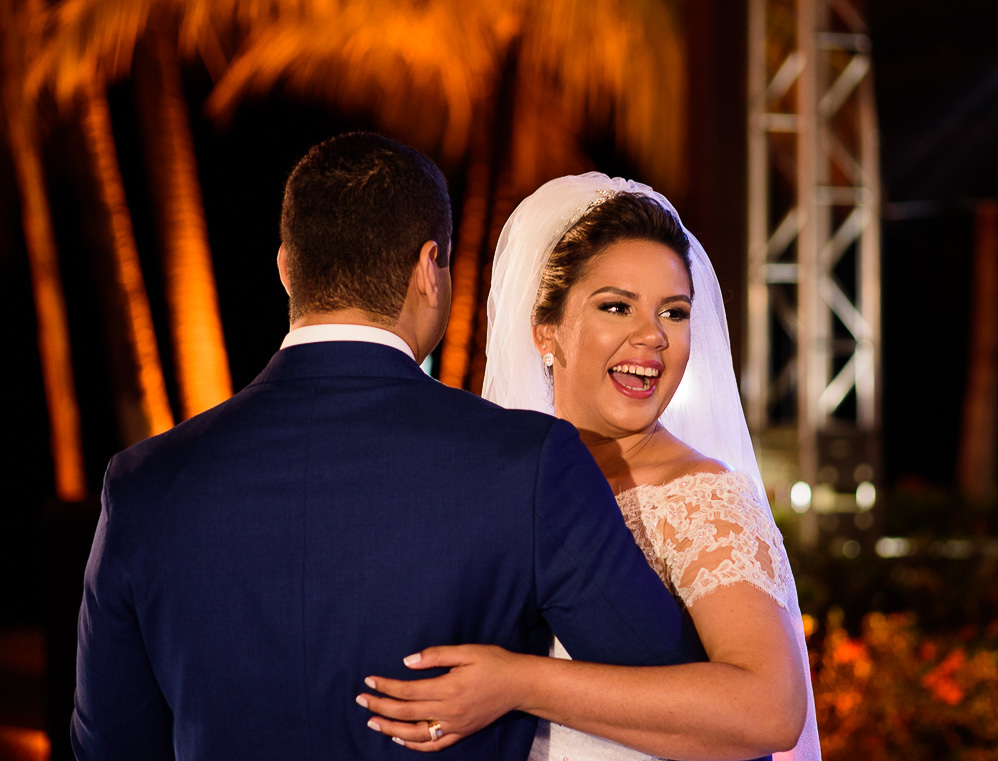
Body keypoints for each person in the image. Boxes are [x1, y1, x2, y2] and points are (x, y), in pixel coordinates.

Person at [71, 138, 705, 761]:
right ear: (430, 269)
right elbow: (682, 707)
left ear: (287, 268)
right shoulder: (528, 462)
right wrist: (520, 681)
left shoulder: (142, 483)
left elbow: (108, 744)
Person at [358, 173, 821, 760]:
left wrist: (516, 683)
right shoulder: (502, 481)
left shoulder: (699, 498)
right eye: (617, 306)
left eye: (674, 313)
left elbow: (771, 709)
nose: (652, 335)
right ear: (546, 331)